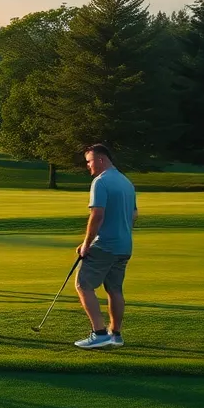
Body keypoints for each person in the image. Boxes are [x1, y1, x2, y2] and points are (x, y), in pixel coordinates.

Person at [74, 144, 138, 350]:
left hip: (105, 246)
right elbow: (134, 215)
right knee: (115, 289)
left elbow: (97, 215)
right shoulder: (126, 182)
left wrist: (86, 244)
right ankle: (116, 335)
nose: (88, 166)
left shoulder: (100, 182)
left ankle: (99, 333)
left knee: (83, 285)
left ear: (100, 160)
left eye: (89, 162)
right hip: (124, 246)